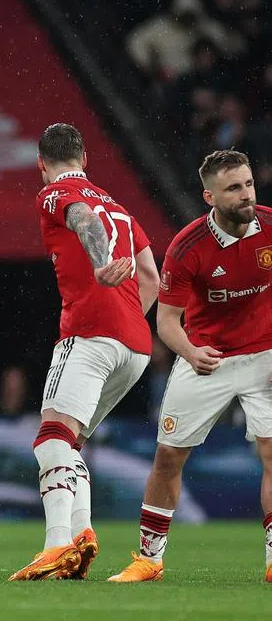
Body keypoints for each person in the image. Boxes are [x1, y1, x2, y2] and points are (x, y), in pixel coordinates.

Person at [109, 150, 272, 583]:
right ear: (209, 197)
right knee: (168, 457)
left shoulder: (271, 226)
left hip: (266, 355)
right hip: (206, 358)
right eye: (233, 188)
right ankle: (149, 561)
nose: (246, 194)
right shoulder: (187, 247)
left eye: (249, 184)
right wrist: (191, 353)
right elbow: (166, 322)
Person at [10, 123, 160, 581]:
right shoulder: (119, 207)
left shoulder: (54, 193)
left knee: (50, 437)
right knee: (72, 443)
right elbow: (152, 277)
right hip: (135, 345)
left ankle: (56, 543)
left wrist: (100, 266)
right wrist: (126, 319)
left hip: (90, 332)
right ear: (86, 158)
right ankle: (82, 536)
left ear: (41, 162)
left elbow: (82, 219)